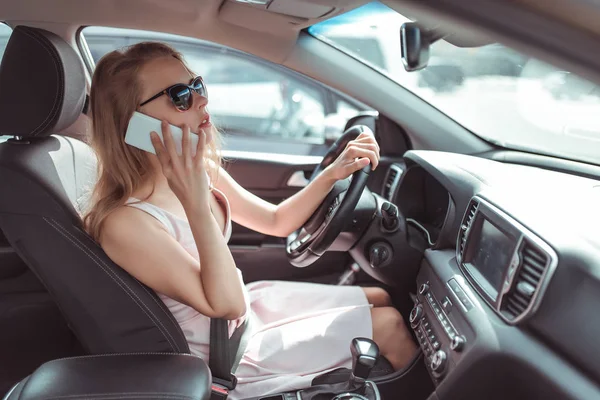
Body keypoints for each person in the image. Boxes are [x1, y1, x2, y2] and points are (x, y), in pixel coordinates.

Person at [83, 42, 417, 399]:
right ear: (132, 123)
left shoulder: (203, 172)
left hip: (249, 312)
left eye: (197, 86)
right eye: (180, 96)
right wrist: (196, 204)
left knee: (380, 296)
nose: (202, 102)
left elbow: (275, 221)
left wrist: (332, 174)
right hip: (227, 356)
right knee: (389, 326)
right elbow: (226, 305)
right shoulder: (126, 222)